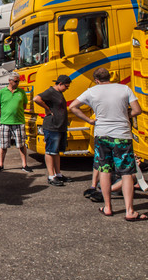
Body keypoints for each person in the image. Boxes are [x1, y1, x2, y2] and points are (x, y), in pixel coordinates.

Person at [68, 67, 145, 221]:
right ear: (109, 77)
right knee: (126, 172)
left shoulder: (92, 91)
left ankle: (108, 207)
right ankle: (129, 211)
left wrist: (89, 120)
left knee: (104, 170)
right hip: (122, 135)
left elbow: (72, 106)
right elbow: (137, 110)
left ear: (96, 79)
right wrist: (126, 114)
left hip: (102, 135)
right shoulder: (124, 88)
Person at [33, 75, 72, 186]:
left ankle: (58, 174)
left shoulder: (59, 93)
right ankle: (51, 176)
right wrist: (48, 109)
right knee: (50, 151)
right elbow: (36, 98)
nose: (67, 88)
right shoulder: (50, 91)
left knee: (56, 152)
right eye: (66, 86)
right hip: (52, 126)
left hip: (60, 126)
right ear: (60, 84)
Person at [0, 71, 31, 172]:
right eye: (15, 81)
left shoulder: (21, 92)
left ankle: (24, 165)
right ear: (9, 81)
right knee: (3, 144)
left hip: (18, 122)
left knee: (21, 144)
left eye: (18, 81)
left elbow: (24, 105)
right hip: (5, 122)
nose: (17, 83)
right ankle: (1, 164)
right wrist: (2, 114)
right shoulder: (2, 92)